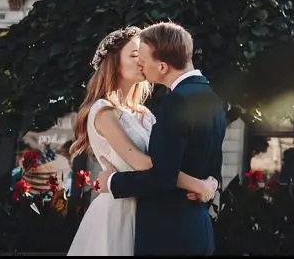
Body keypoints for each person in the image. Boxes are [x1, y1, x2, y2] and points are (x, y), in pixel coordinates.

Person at [66, 27, 218, 257]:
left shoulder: (145, 113)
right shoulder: (103, 111)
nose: (141, 61)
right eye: (134, 55)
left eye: (143, 55)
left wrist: (210, 183)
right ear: (114, 62)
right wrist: (199, 185)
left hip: (150, 208)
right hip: (119, 209)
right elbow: (144, 164)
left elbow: (165, 159)